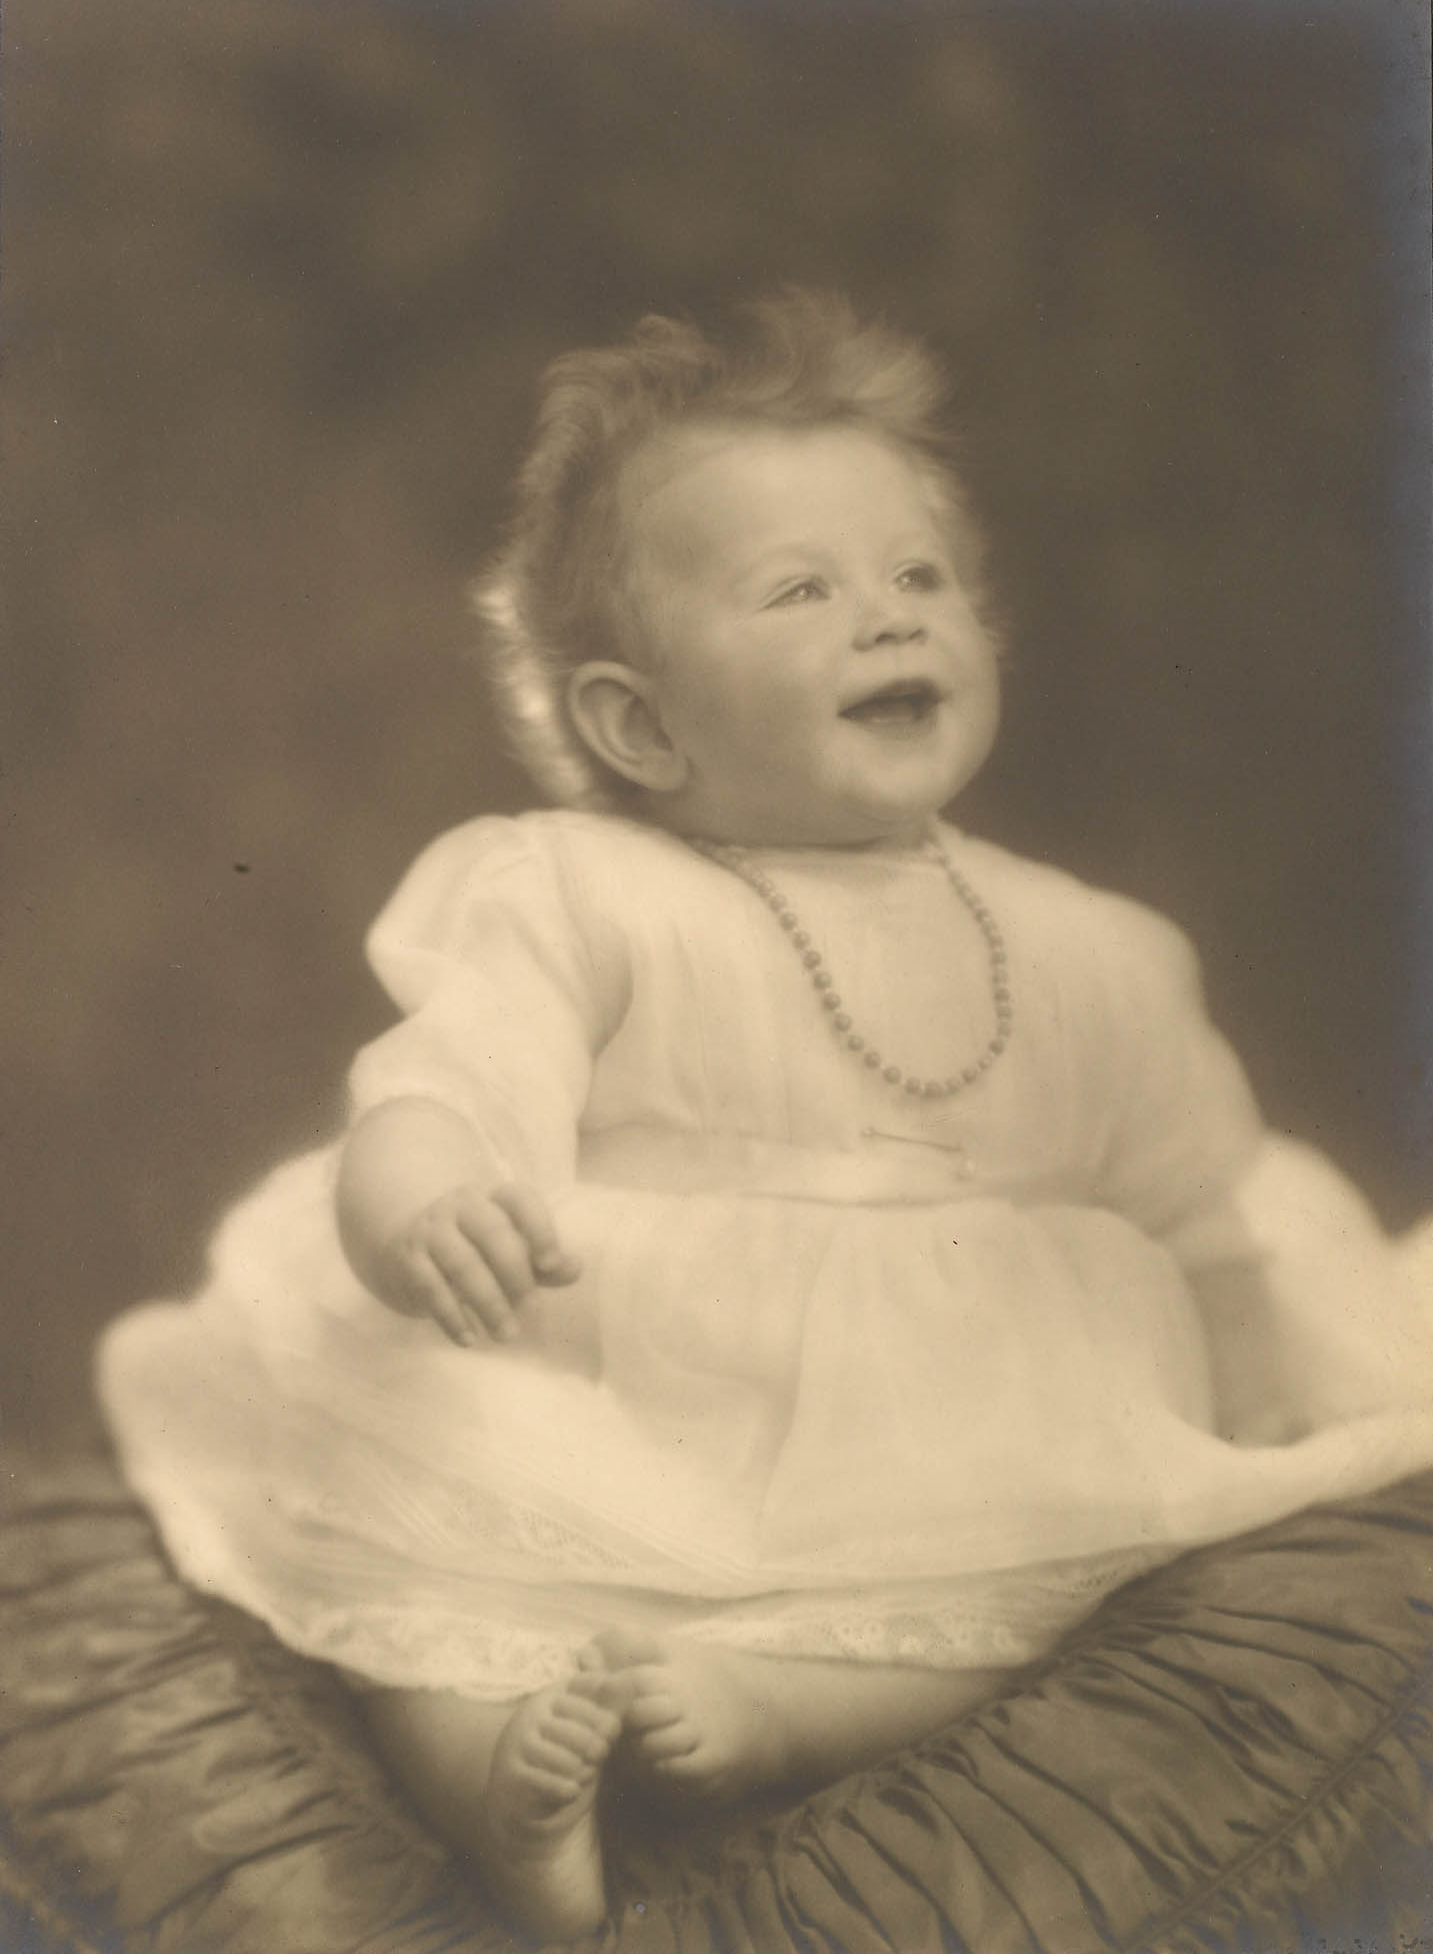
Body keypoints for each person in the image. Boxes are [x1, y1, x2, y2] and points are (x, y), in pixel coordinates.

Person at [97, 290, 1433, 1941]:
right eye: (802, 591)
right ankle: (503, 1780)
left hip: (950, 1414)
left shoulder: (1087, 950)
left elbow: (1193, 1202)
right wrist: (423, 1207)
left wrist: (1249, 1384)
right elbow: (448, 1082)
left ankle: (782, 1707)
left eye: (919, 579)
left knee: (1054, 1561)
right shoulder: (574, 889)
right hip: (630, 1383)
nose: (886, 621)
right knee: (427, 1531)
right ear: (637, 721)